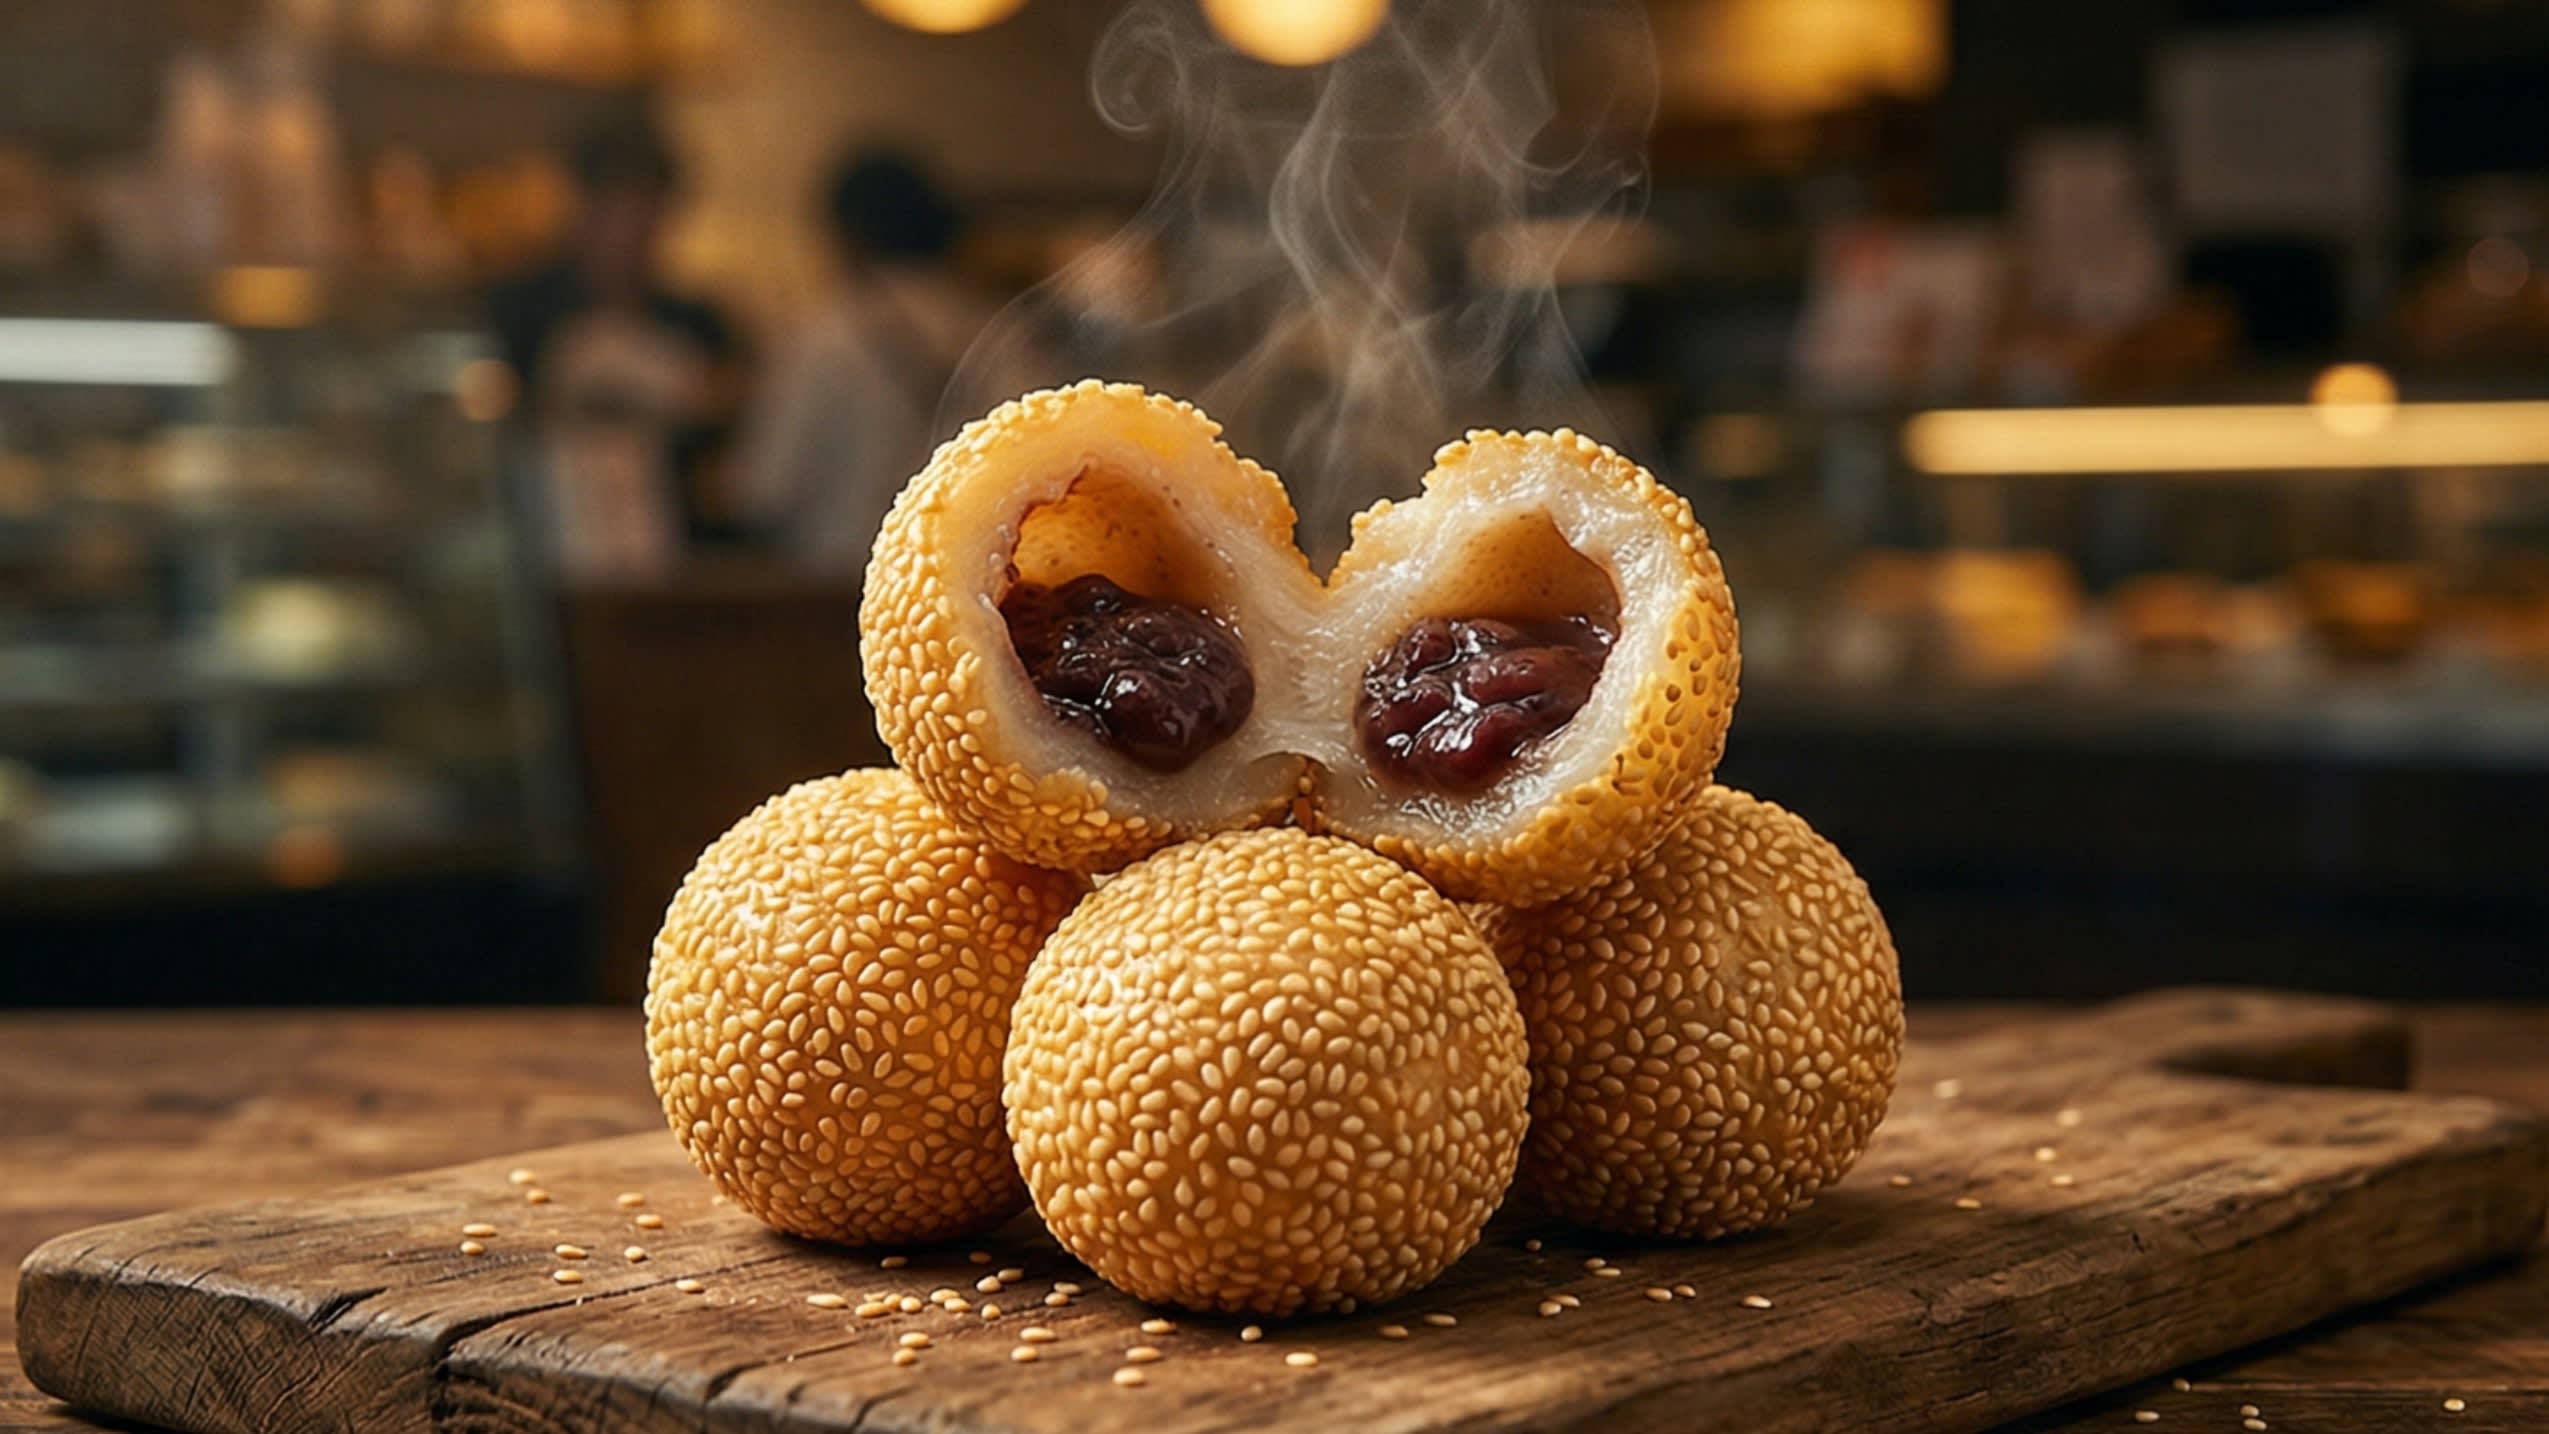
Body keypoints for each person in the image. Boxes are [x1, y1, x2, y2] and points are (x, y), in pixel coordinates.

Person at [733, 149, 1018, 576]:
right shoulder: (999, 333)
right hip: (964, 589)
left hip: (837, 588)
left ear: (847, 234)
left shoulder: (824, 337)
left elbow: (764, 489)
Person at [487, 119, 743, 582]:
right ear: (582, 208)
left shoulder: (698, 323)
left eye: (646, 219)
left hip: (670, 561)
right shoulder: (518, 312)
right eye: (617, 215)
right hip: (544, 555)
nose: (629, 238)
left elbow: (728, 462)